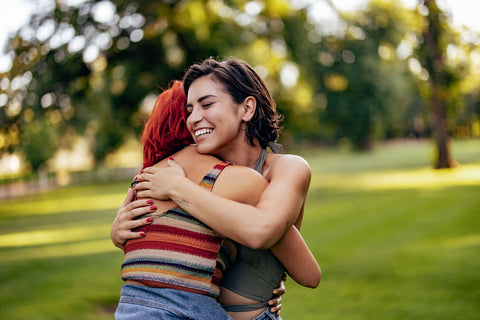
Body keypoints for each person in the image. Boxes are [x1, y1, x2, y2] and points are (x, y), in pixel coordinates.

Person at [113, 80, 320, 320]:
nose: (196, 118)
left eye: (207, 104)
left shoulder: (150, 179)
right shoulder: (226, 179)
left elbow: (303, 268)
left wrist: (178, 187)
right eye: (190, 110)